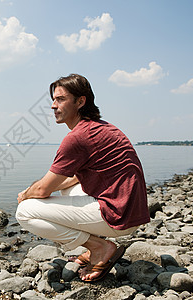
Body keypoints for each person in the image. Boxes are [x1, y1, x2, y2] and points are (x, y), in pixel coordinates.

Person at [16, 73, 150, 282]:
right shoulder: (100, 128)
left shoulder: (78, 137)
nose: (53, 106)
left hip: (118, 216)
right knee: (65, 188)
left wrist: (26, 194)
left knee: (25, 212)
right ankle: (95, 244)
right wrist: (39, 189)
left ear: (80, 101)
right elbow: (69, 180)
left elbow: (42, 190)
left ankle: (99, 247)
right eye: (53, 99)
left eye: (60, 99)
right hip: (131, 211)